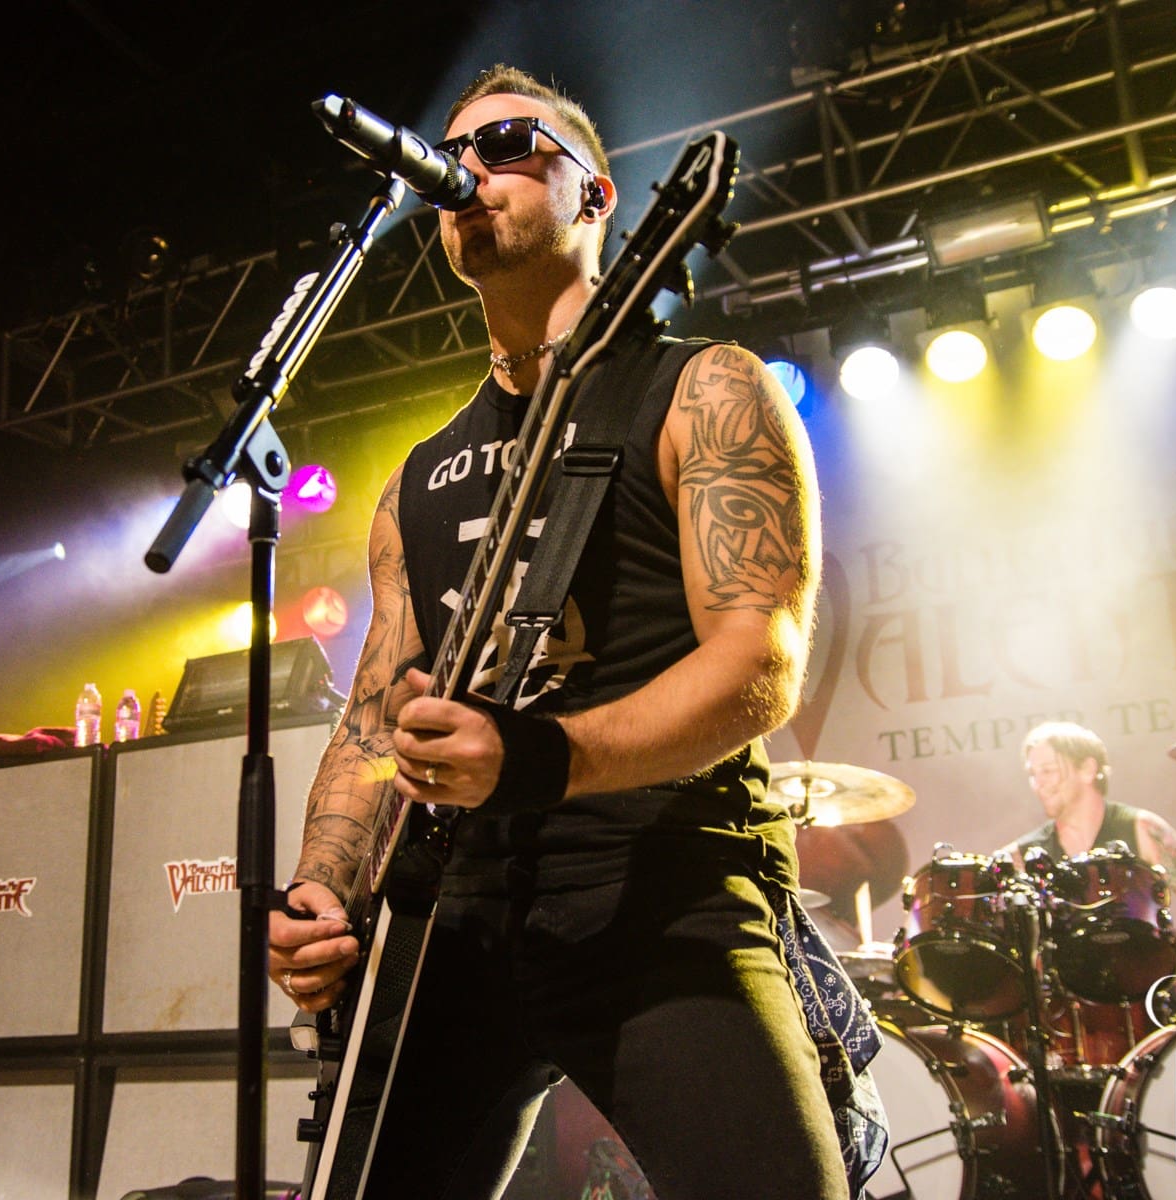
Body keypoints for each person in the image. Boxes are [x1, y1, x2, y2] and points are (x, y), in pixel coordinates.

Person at [266, 65, 881, 1200]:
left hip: (665, 893)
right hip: (457, 918)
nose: (469, 169)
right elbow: (372, 720)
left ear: (594, 195)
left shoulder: (705, 388)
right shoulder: (415, 480)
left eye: (508, 143)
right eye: (456, 151)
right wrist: (322, 891)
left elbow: (760, 662)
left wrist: (540, 758)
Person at [997, 721, 1176, 949]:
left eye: (1048, 771)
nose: (1038, 783)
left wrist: (1167, 964)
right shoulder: (1018, 857)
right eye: (1032, 774)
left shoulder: (1141, 828)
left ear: (1087, 769)